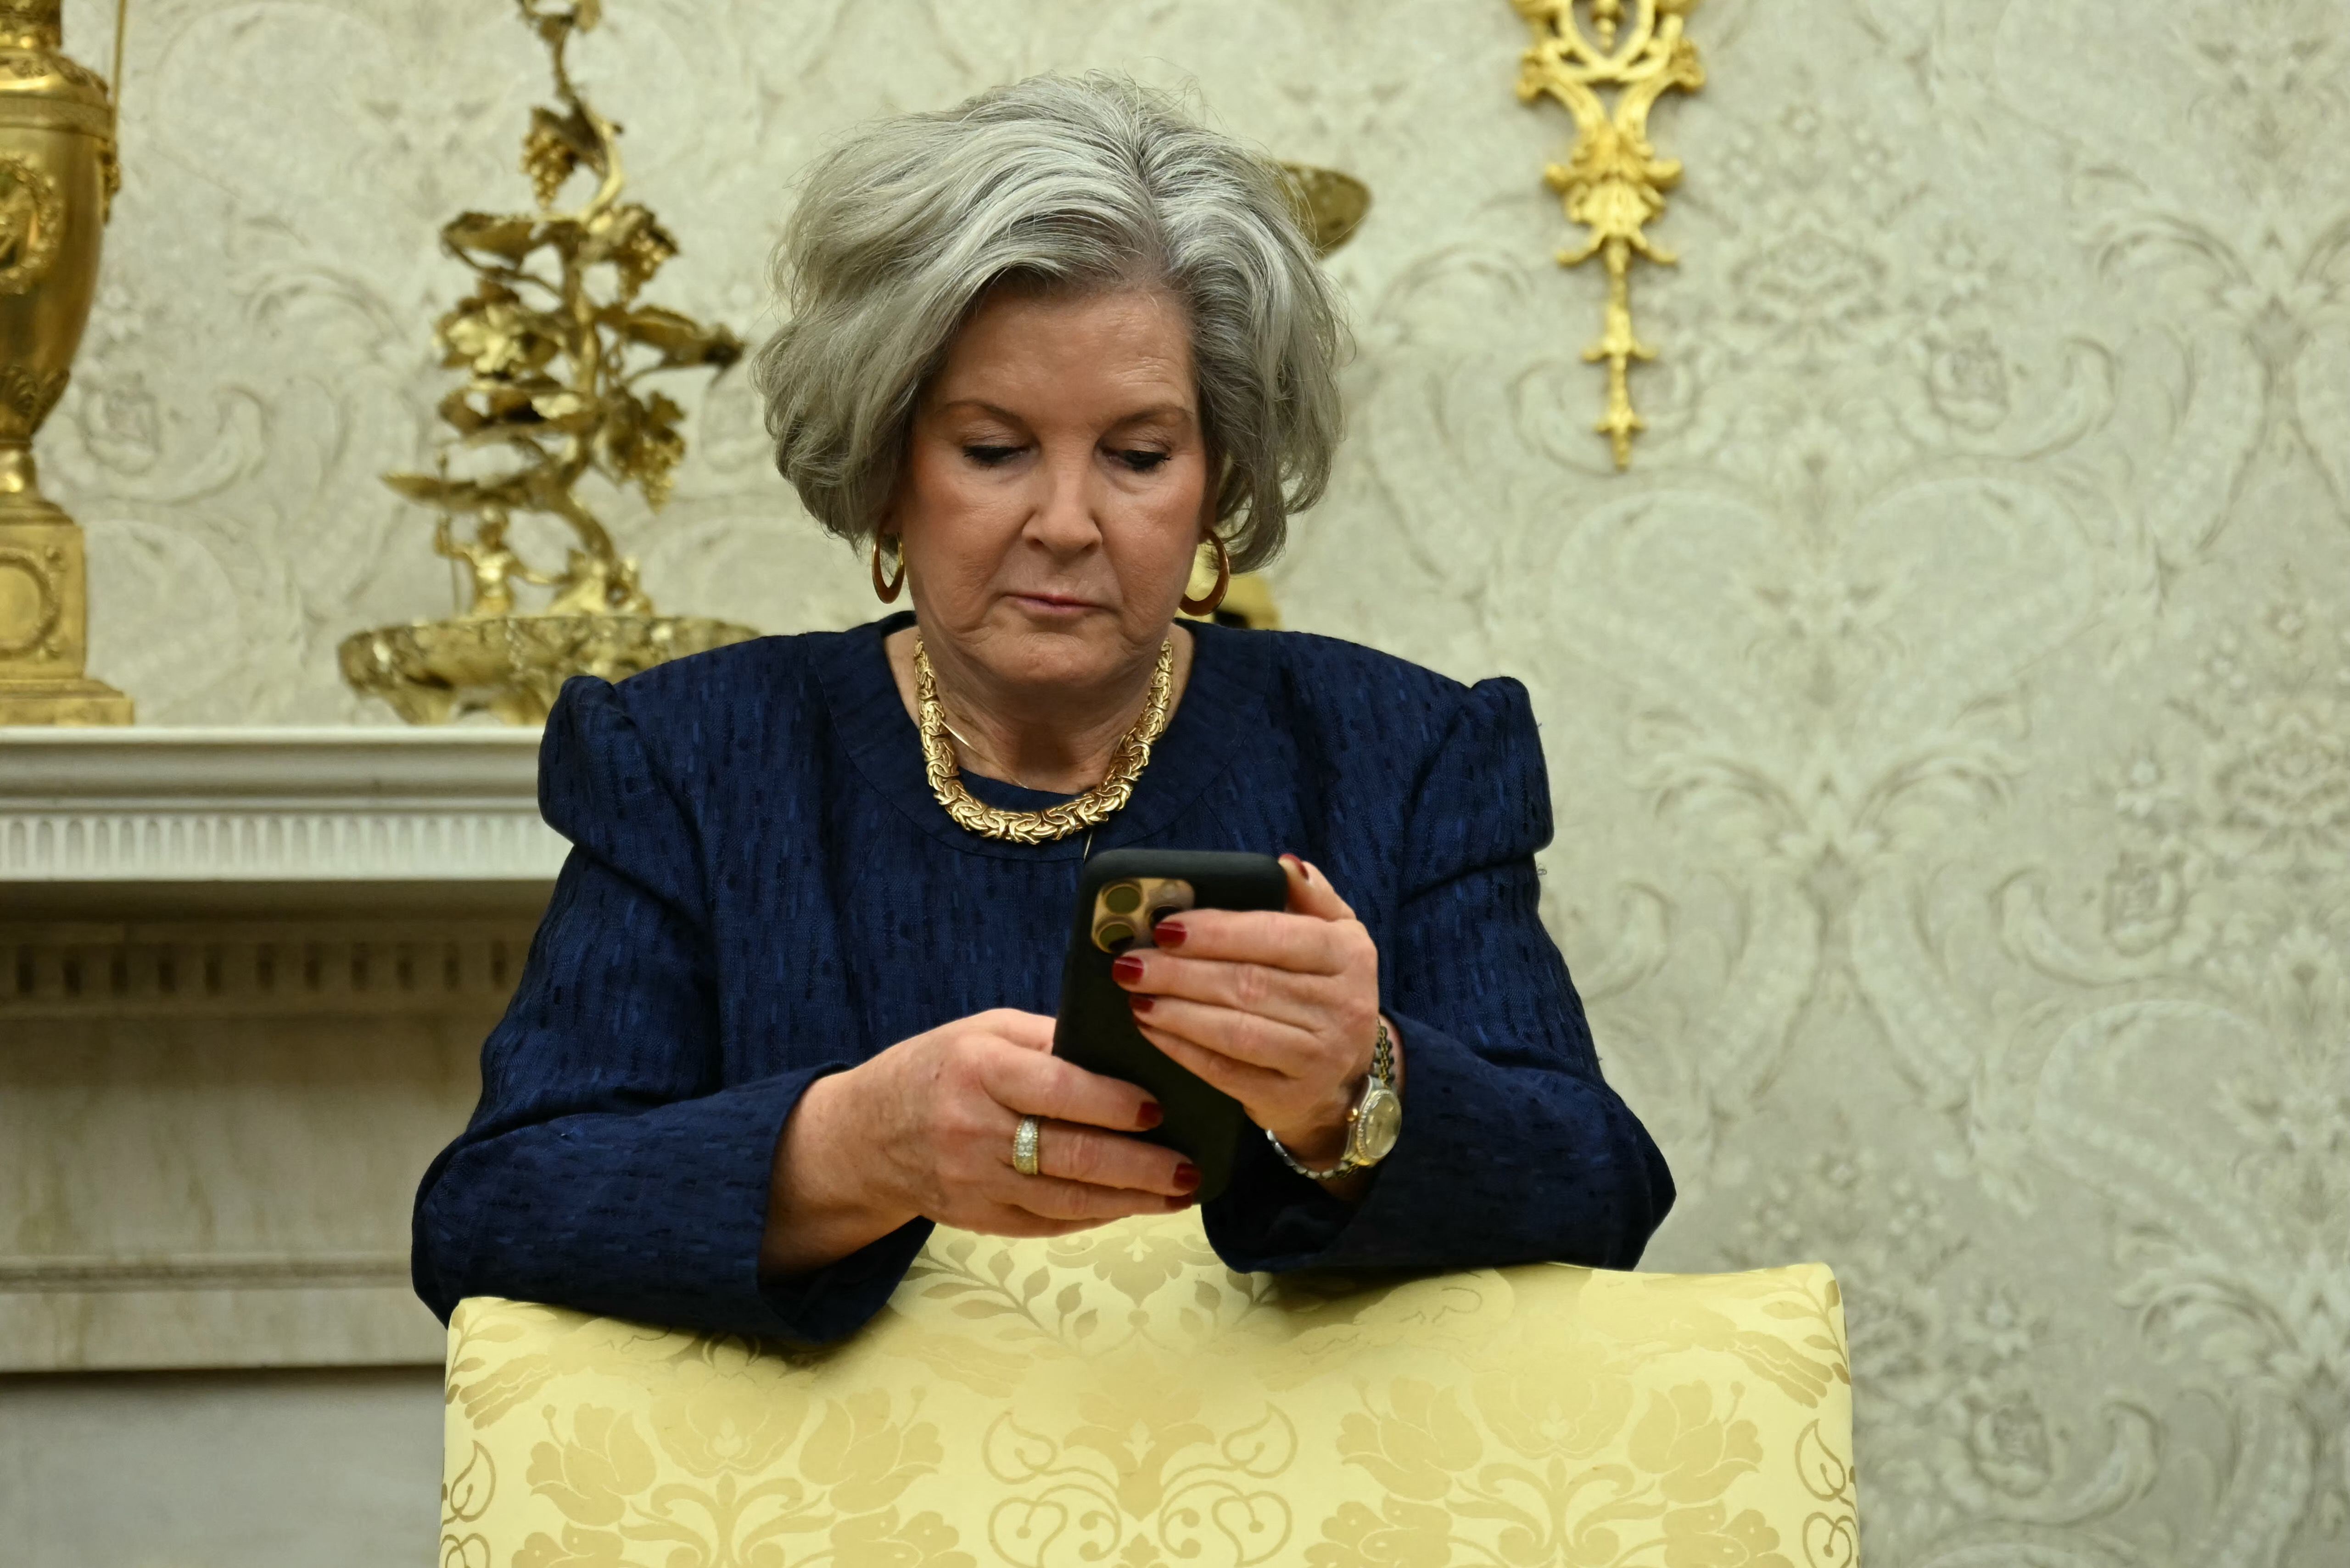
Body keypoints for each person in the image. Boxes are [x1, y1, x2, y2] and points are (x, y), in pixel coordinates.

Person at [411, 72, 1673, 1343]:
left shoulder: (1408, 755)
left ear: (1217, 479)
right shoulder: (689, 759)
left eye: (1137, 457)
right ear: (889, 462)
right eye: (993, 448)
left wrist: (1360, 1090)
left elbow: (1603, 1191)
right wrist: (855, 1149)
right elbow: (487, 1216)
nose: (1067, 524)